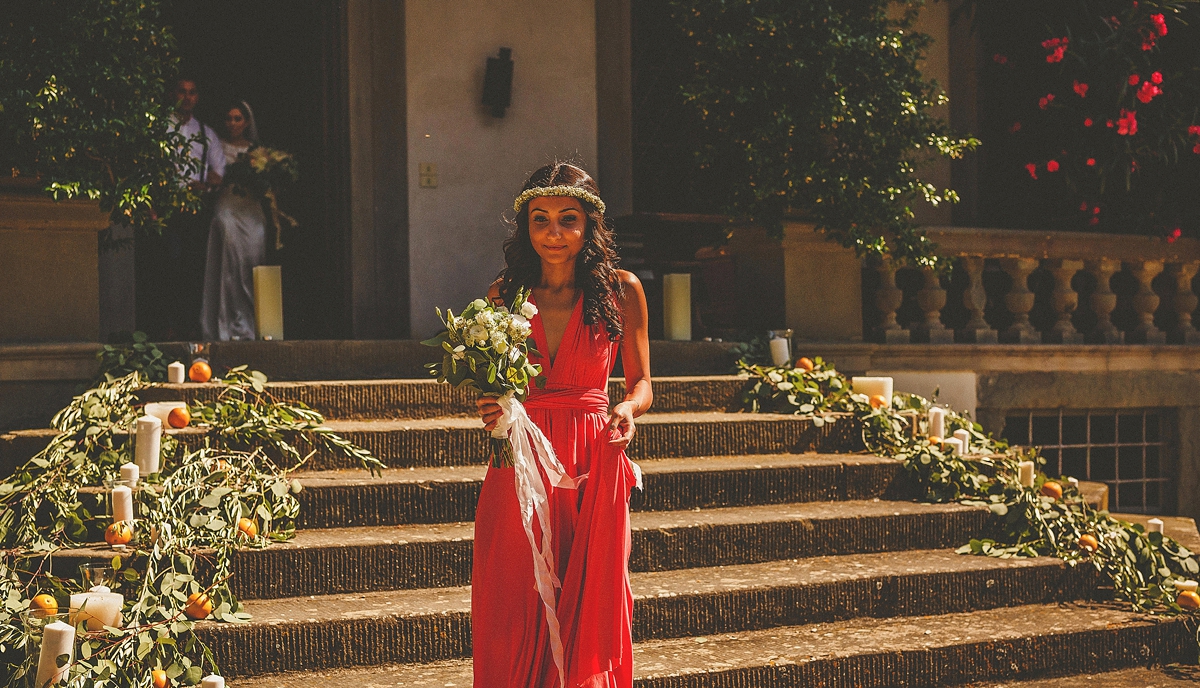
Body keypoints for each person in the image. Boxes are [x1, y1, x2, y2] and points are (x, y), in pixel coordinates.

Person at [473, 162, 652, 687]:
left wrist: (627, 409)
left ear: (590, 225)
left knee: (591, 594)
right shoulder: (502, 296)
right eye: (540, 219)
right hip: (520, 459)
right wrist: (489, 404)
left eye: (567, 220)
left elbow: (643, 384)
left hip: (593, 457)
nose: (554, 234)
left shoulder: (624, 289)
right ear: (525, 227)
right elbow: (494, 385)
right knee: (512, 592)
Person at [135, 77, 226, 340]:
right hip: (165, 206)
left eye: (192, 92)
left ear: (197, 97)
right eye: (182, 92)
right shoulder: (160, 128)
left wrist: (207, 184)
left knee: (191, 268)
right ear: (173, 94)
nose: (187, 97)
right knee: (165, 266)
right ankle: (164, 326)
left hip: (194, 209)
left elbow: (218, 172)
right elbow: (146, 166)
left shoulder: (206, 134)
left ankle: (187, 325)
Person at [200, 101, 268, 341]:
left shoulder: (257, 151)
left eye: (237, 118)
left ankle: (249, 321)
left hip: (251, 208)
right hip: (227, 205)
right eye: (229, 118)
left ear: (246, 122)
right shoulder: (216, 145)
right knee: (229, 259)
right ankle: (225, 323)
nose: (233, 123)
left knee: (251, 260)